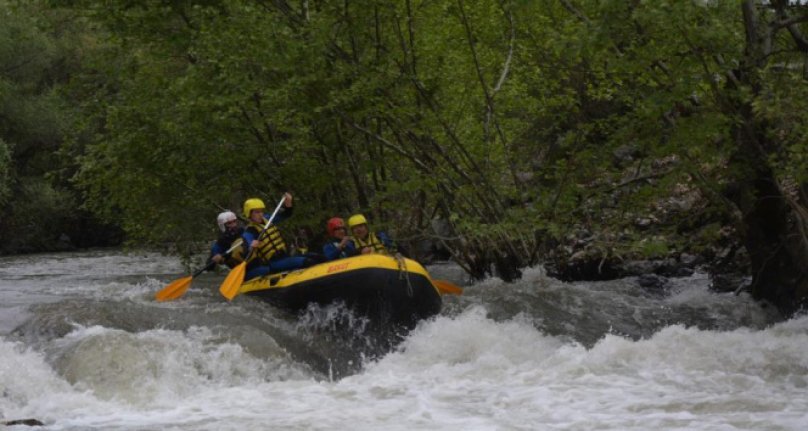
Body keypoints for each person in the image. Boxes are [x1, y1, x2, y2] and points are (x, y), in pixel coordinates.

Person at [241, 193, 322, 280]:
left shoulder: (268, 219)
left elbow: (286, 214)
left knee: (317, 257)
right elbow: (248, 246)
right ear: (249, 214)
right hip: (274, 263)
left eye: (261, 211)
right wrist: (251, 245)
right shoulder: (249, 231)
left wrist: (288, 204)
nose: (260, 214)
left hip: (286, 256)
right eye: (257, 212)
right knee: (308, 262)